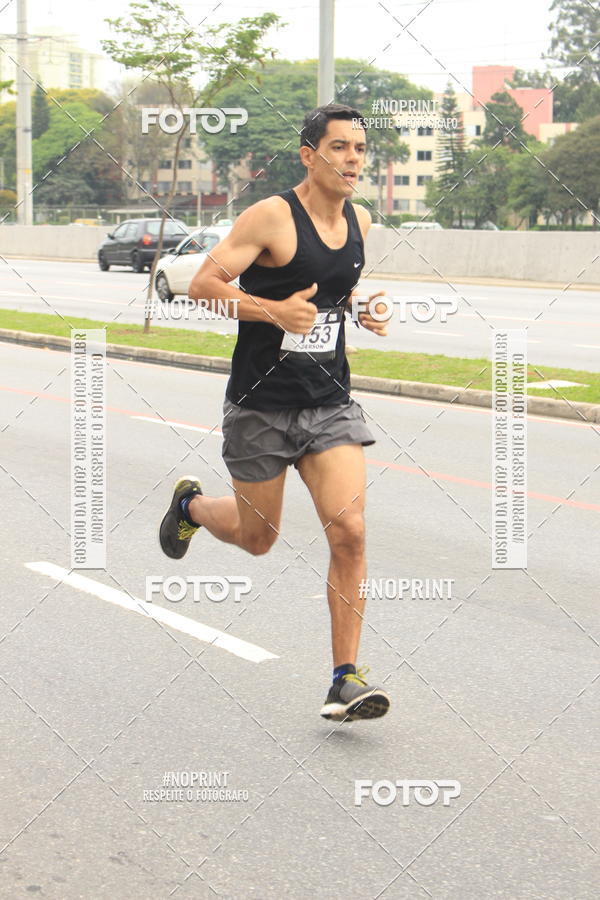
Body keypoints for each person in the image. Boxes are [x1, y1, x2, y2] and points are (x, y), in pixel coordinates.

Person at [159, 103, 390, 721]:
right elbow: (204, 285)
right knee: (258, 539)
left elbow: (335, 295)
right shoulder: (271, 216)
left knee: (351, 531)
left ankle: (345, 678)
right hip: (260, 404)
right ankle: (191, 507)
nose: (352, 161)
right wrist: (272, 311)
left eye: (360, 150)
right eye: (339, 148)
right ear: (309, 155)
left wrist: (363, 310)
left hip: (328, 404)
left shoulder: (361, 220)